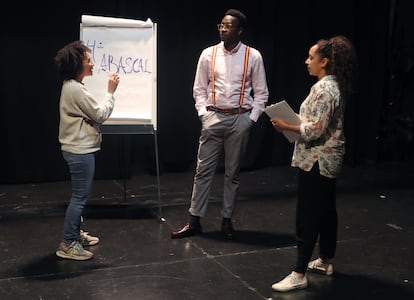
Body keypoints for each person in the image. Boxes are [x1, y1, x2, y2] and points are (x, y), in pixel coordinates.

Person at [171, 9, 269, 240]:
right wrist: (203, 114)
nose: (222, 29)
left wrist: (250, 120)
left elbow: (261, 92)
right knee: (202, 171)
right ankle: (194, 220)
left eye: (228, 26)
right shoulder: (208, 54)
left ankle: (227, 220)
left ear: (240, 30)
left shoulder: (252, 56)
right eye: (221, 25)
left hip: (239, 118)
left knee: (232, 174)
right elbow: (199, 88)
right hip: (213, 118)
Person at [270, 35, 357, 291]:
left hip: (318, 160)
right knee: (326, 210)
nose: (307, 61)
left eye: (311, 57)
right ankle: (325, 259)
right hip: (327, 158)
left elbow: (315, 130)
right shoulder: (332, 86)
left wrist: (286, 125)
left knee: (308, 215)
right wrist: (293, 119)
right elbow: (316, 121)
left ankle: (298, 273)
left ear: (325, 61)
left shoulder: (325, 89)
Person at [54, 40, 120, 260]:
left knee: (79, 196)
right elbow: (100, 114)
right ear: (77, 64)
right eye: (88, 60)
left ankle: (74, 234)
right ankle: (67, 243)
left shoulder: (74, 86)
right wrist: (110, 92)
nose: (93, 64)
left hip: (78, 149)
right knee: (80, 198)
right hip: (79, 151)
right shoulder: (75, 89)